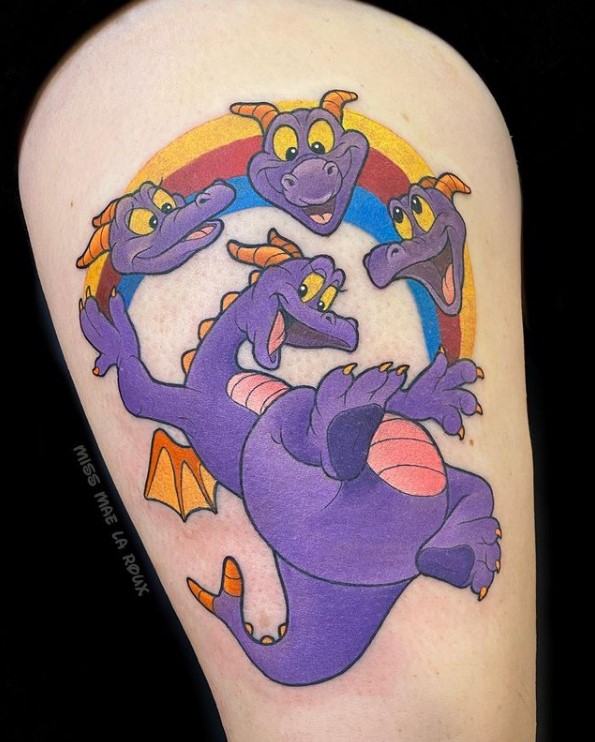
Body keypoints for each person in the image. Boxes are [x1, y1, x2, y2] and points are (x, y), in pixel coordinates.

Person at [19, 0, 535, 739]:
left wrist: (415, 399)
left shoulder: (218, 397)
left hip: (331, 499)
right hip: (316, 510)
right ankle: (404, 525)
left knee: (334, 446)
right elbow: (406, 722)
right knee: (309, 443)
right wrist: (128, 353)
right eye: (301, 299)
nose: (327, 318)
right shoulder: (169, 65)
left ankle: (407, 525)